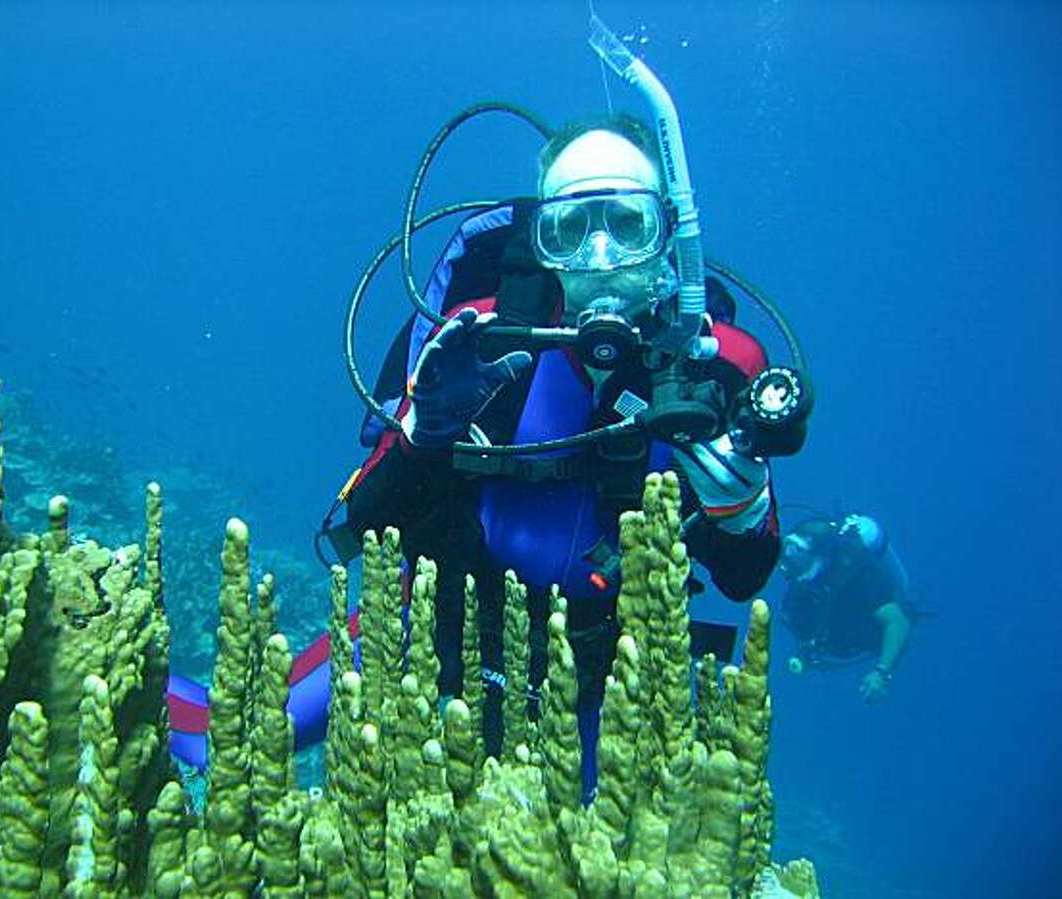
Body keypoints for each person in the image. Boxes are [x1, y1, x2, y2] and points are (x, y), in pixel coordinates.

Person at [341, 116, 792, 797]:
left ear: (670, 235)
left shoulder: (721, 368)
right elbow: (362, 520)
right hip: (430, 633)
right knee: (218, 727)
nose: (603, 254)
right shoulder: (483, 337)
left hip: (601, 683)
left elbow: (742, 575)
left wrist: (742, 510)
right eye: (571, 229)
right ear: (543, 245)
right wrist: (423, 434)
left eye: (628, 223)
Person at [777, 513, 914, 702]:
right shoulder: (805, 578)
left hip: (855, 623)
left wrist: (881, 672)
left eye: (797, 555)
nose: (786, 566)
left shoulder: (860, 576)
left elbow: (897, 621)